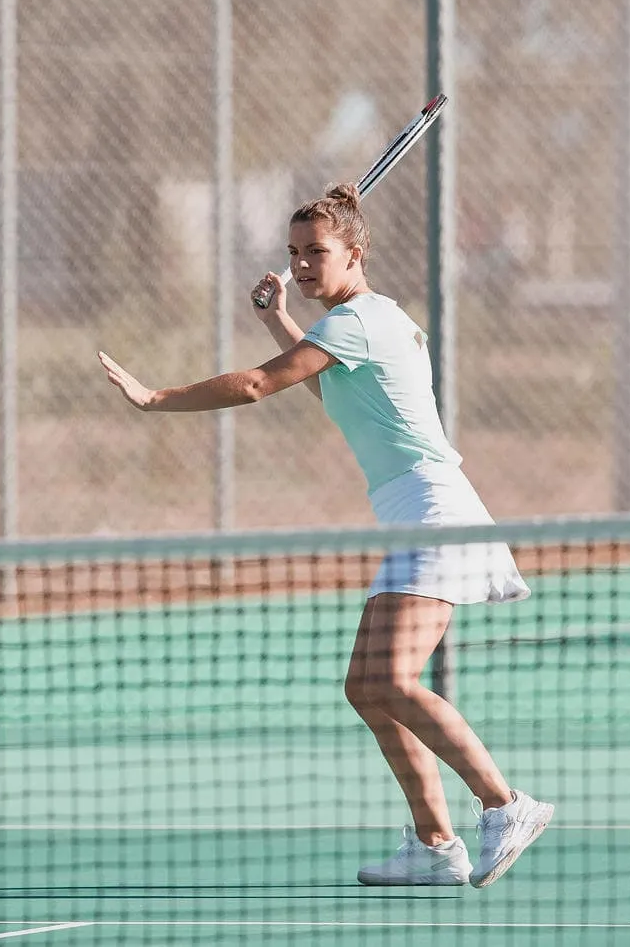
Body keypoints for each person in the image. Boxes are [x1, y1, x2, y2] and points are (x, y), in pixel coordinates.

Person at [98, 182, 552, 889]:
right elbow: (330, 391)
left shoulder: (360, 322)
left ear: (355, 254)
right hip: (416, 515)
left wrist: (157, 398)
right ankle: (436, 845)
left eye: (317, 253)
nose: (304, 265)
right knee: (368, 686)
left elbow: (255, 387)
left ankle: (505, 804)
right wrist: (281, 320)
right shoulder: (368, 322)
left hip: (437, 514)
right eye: (294, 253)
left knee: (391, 678)